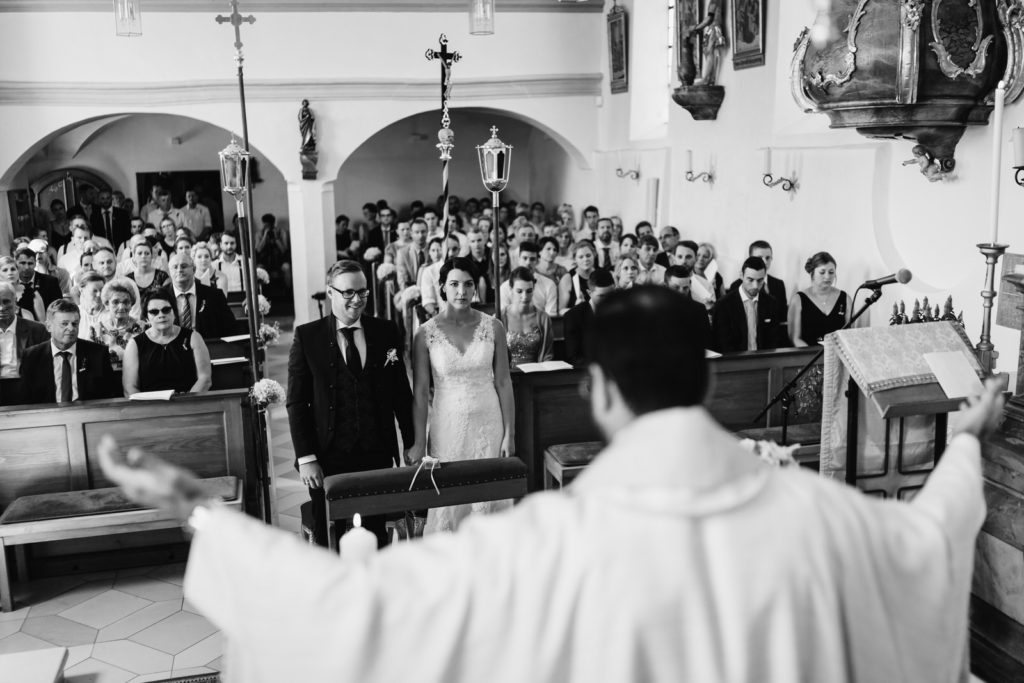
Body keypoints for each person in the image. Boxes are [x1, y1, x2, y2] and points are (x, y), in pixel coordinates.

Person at [101, 282, 1006, 682]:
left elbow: (351, 606)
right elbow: (927, 545)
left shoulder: (539, 546)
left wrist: (202, 513)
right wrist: (963, 443)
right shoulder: (831, 518)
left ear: (600, 393)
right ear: (701, 377)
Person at [288, 260, 413, 547]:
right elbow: (297, 403)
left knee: (375, 533)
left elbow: (400, 393)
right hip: (327, 454)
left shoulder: (385, 331)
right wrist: (307, 459)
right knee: (325, 531)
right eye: (347, 293)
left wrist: (410, 443)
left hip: (376, 450)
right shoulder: (308, 337)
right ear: (330, 292)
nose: (357, 300)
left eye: (362, 292)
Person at [410, 257, 514, 533]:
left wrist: (509, 433)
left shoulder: (494, 327)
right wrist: (420, 441)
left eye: (468, 284)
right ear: (442, 287)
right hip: (447, 425)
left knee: (488, 497)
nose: (462, 291)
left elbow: (503, 382)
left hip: (488, 423)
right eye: (454, 284)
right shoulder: (425, 334)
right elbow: (420, 392)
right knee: (449, 501)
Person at [18, 298, 118, 404]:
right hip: (48, 417)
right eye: (64, 324)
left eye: (75, 324)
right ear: (48, 327)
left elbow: (110, 394)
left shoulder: (98, 354)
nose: (71, 328)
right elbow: (25, 399)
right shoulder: (32, 356)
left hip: (88, 415)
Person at [123, 292, 212, 395]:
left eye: (166, 310)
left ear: (174, 312)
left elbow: (205, 379)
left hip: (188, 403)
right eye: (154, 312)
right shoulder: (134, 344)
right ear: (146, 317)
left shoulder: (193, 337)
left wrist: (187, 402)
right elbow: (129, 387)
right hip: (149, 406)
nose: (161, 315)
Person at [711, 256, 787, 353]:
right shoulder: (723, 305)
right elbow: (722, 343)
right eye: (750, 280)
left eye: (760, 280)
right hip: (733, 362)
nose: (755, 286)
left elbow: (774, 340)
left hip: (764, 360)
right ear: (741, 275)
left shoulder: (771, 303)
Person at [157, 253, 237, 339]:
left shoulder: (215, 295)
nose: (179, 270)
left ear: (194, 269)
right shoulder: (159, 296)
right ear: (169, 272)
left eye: (184, 266)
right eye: (175, 267)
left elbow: (230, 328)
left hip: (207, 347)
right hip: (172, 348)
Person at [789, 251, 852, 346]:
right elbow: (795, 338)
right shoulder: (798, 299)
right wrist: (813, 356)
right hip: (808, 356)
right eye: (822, 272)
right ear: (812, 273)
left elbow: (850, 335)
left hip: (837, 356)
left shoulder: (845, 298)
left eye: (831, 272)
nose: (827, 277)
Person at [0, 281, 48, 406]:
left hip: (26, 388)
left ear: (15, 301)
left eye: (6, 302)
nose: (1, 307)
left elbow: (46, 367)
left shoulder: (37, 330)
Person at [500, 267, 554, 368]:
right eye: (519, 291)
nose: (525, 296)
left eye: (529, 291)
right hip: (509, 376)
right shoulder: (500, 318)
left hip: (537, 375)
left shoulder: (543, 318)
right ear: (511, 290)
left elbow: (547, 355)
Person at [562, 268, 615, 366]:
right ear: (589, 293)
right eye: (601, 296)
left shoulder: (621, 312)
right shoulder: (573, 316)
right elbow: (574, 357)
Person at [729, 240, 788, 323]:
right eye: (759, 258)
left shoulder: (779, 284)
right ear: (750, 258)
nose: (764, 262)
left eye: (768, 258)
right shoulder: (736, 285)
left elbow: (782, 316)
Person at [92, 279, 145, 371]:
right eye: (115, 302)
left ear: (131, 304)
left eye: (126, 302)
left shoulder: (142, 327)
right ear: (107, 305)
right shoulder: (96, 330)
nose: (121, 307)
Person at [499, 241, 558, 317]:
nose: (528, 262)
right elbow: (504, 316)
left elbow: (551, 316)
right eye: (525, 258)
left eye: (532, 259)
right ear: (518, 259)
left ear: (537, 261)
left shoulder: (549, 284)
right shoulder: (505, 287)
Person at [665, 265, 712, 349]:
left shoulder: (699, 310)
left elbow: (707, 342)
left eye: (685, 288)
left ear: (690, 285)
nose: (681, 292)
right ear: (665, 286)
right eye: (675, 287)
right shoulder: (654, 310)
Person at [14, 246, 62, 317]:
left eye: (30, 263)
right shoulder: (11, 283)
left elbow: (58, 308)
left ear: (35, 263)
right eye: (23, 263)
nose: (27, 267)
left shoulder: (50, 282)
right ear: (16, 263)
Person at [564, 239, 600, 311]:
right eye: (581, 257)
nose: (585, 259)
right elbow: (561, 310)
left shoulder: (602, 274)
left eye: (588, 255)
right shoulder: (568, 277)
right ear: (575, 259)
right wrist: (575, 309)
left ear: (594, 255)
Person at [396, 218, 430, 290]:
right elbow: (402, 280)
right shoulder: (402, 253)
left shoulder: (433, 249)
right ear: (411, 233)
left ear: (427, 232)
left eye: (423, 232)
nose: (420, 235)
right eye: (417, 232)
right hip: (411, 289)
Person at [692, 241, 724, 311]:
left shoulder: (717, 276)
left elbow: (724, 300)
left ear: (711, 260)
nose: (700, 259)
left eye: (705, 256)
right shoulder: (689, 274)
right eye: (698, 255)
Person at [77, 272, 106, 340]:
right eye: (94, 291)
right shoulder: (76, 312)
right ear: (82, 291)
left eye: (102, 290)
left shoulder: (109, 313)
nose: (99, 294)